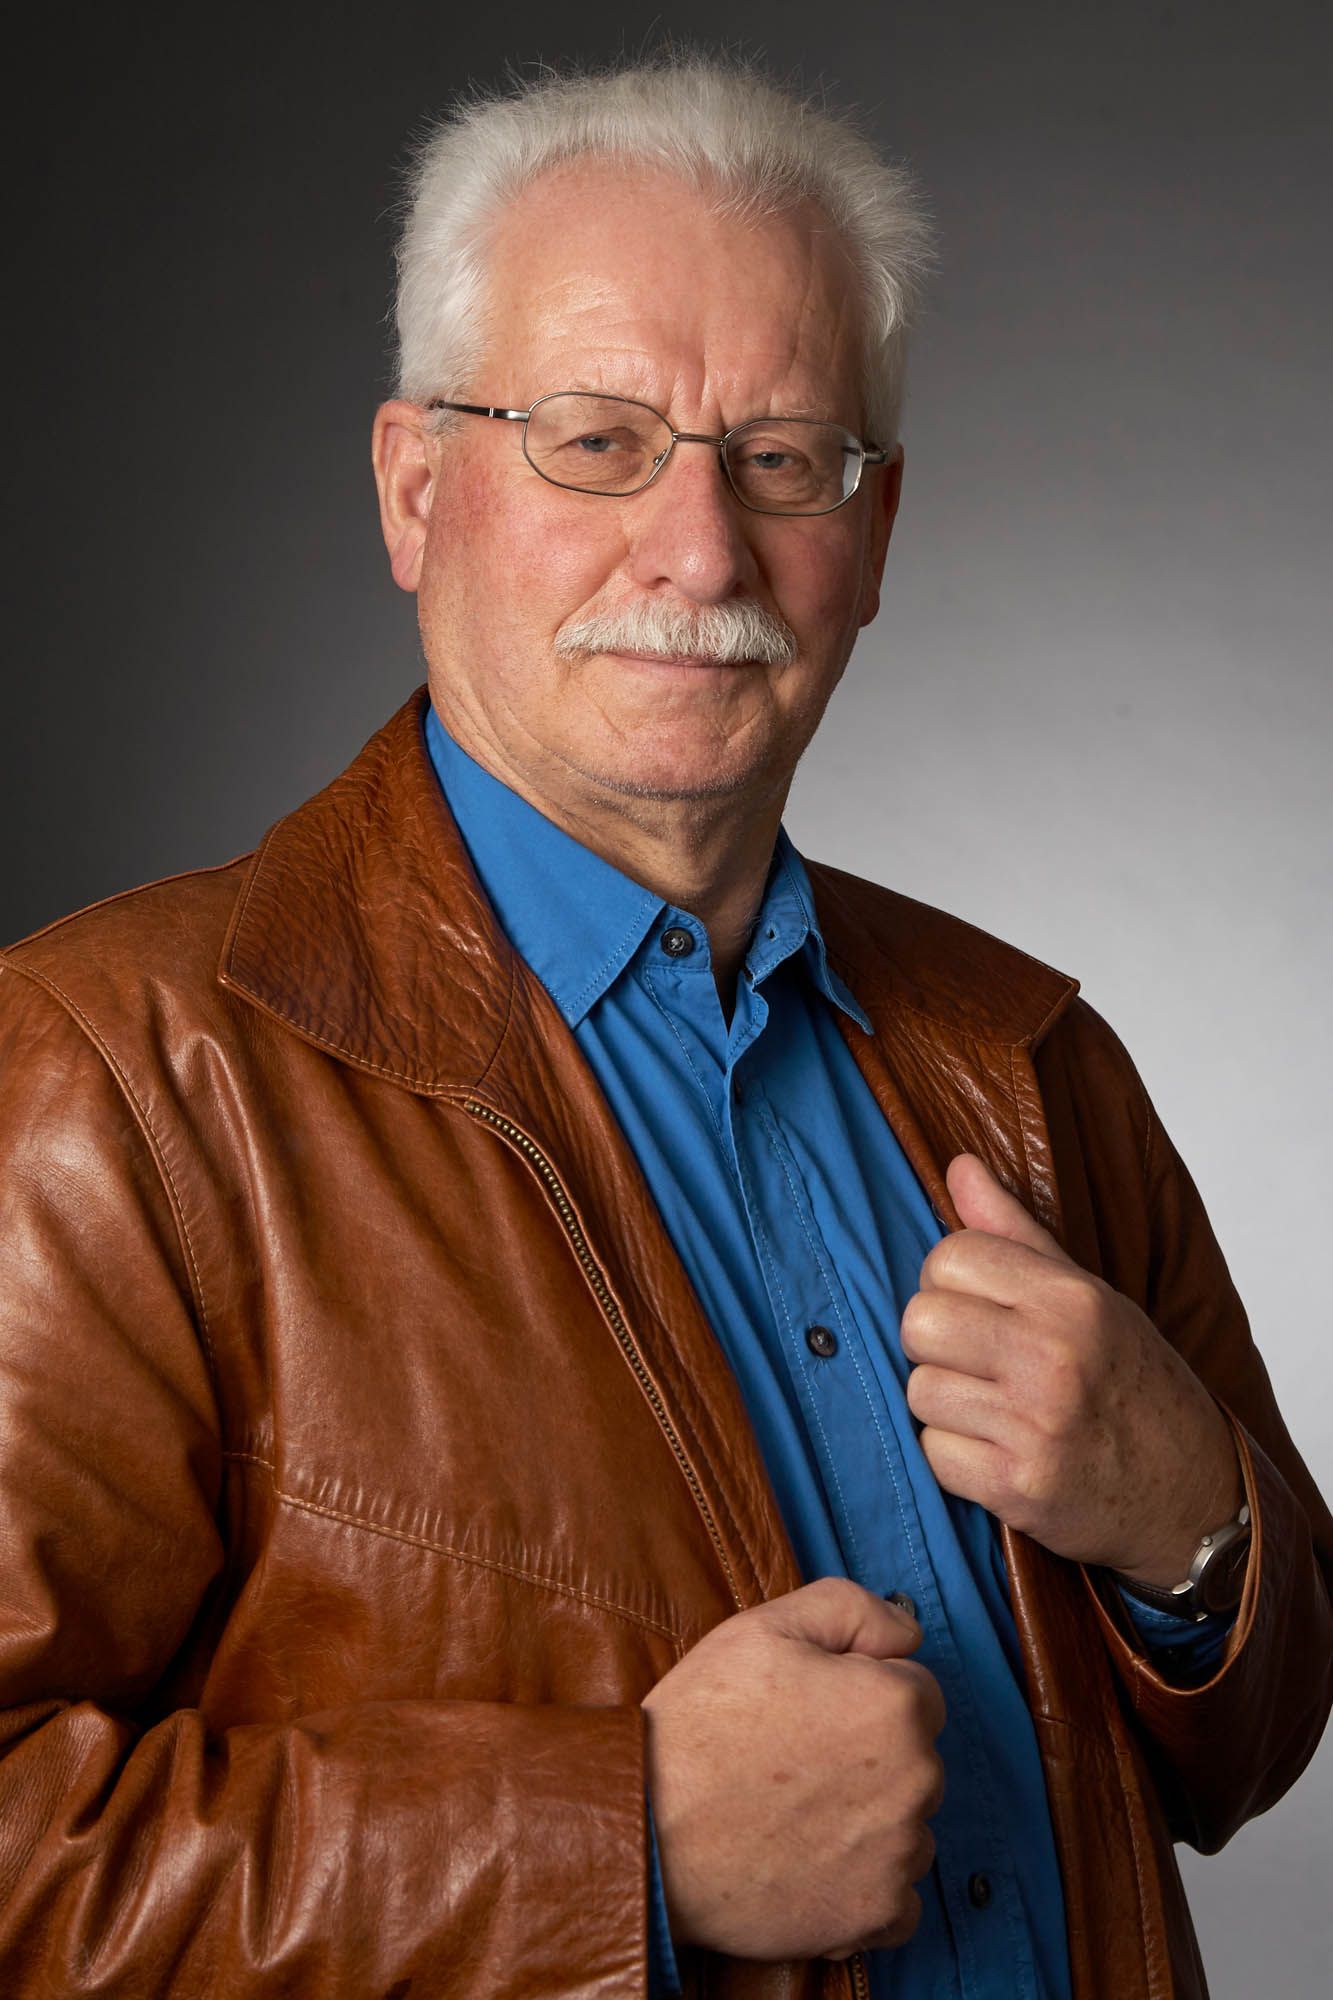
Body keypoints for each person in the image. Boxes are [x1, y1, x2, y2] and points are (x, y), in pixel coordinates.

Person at [0, 56, 1328, 2000]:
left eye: (784, 457)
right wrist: (613, 1841)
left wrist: (1187, 1521)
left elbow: (1265, 1735)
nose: (700, 553)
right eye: (598, 439)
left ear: (871, 540)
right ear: (413, 486)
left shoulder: (1028, 1064)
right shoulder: (108, 1081)